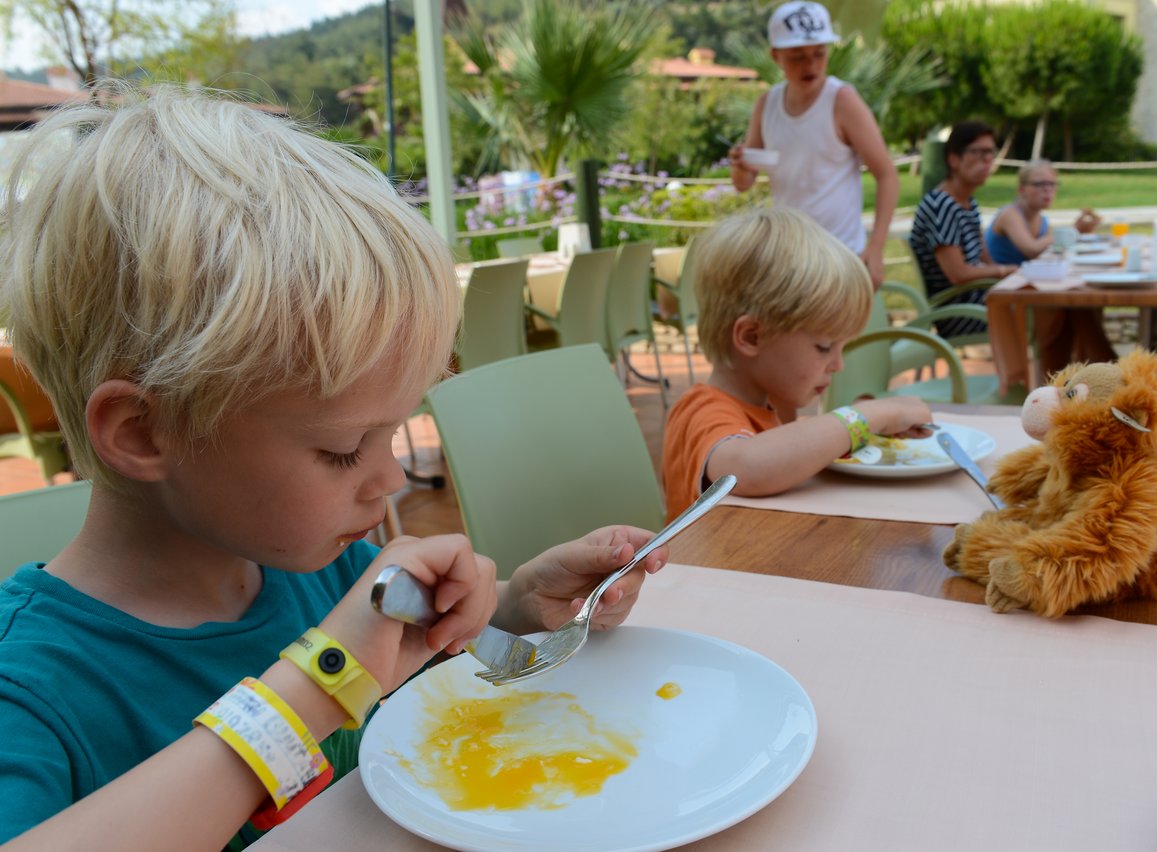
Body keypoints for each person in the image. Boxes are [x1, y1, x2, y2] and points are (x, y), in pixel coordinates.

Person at [0, 87, 667, 851]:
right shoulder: (28, 694)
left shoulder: (327, 576)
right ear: (145, 433)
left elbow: (403, 674)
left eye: (395, 433)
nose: (388, 484)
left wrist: (518, 609)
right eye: (343, 448)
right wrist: (321, 685)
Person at [661, 207, 933, 521]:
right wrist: (866, 417)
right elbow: (747, 469)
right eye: (824, 347)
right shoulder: (702, 411)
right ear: (751, 337)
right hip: (702, 570)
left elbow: (790, 455)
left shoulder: (770, 404)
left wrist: (864, 435)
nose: (838, 364)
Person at [728, 1, 900, 289]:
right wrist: (740, 164)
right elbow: (744, 182)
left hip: (841, 256)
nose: (810, 65)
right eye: (797, 57)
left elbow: (887, 175)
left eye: (819, 54)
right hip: (789, 257)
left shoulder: (842, 100)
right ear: (776, 56)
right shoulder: (766, 104)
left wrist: (876, 248)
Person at [985, 160, 1117, 376]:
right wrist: (1071, 231)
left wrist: (1077, 233)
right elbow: (1031, 250)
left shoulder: (1041, 219)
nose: (1047, 190)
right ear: (1022, 189)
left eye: (1052, 184)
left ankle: (1084, 373)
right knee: (1076, 304)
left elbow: (1051, 251)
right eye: (1039, 184)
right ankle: (1106, 367)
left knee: (1077, 302)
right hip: (1005, 296)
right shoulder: (1010, 214)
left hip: (1028, 290)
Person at [908, 120, 1016, 340]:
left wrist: (1011, 273)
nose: (987, 160)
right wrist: (1005, 271)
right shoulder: (941, 205)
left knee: (1060, 309)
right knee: (1046, 310)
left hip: (979, 298)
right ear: (954, 160)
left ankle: (1087, 372)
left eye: (990, 152)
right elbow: (958, 274)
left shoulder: (968, 203)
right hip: (958, 311)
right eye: (978, 152)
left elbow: (986, 259)